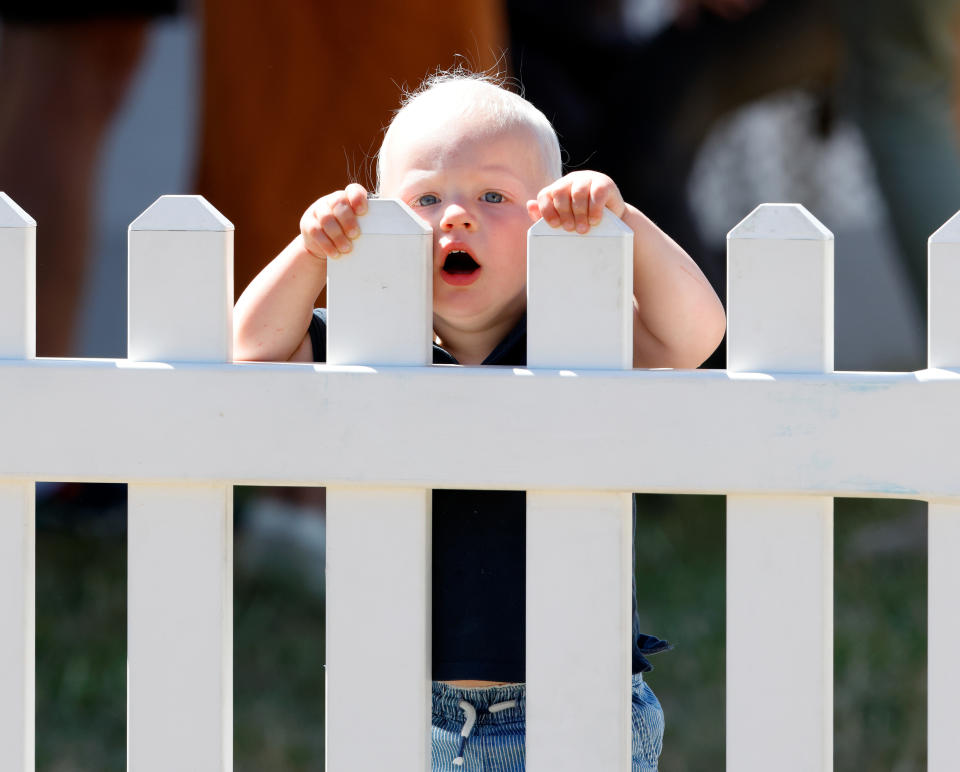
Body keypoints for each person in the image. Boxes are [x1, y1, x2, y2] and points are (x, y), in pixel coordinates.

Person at [233, 71, 726, 772]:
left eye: (493, 196)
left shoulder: (577, 343)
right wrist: (310, 250)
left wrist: (625, 222)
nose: (456, 217)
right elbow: (248, 356)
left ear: (550, 216)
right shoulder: (367, 348)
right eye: (426, 199)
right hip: (409, 715)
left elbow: (695, 335)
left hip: (579, 712)